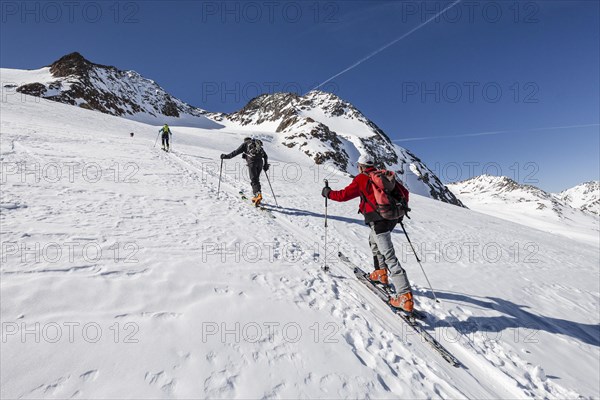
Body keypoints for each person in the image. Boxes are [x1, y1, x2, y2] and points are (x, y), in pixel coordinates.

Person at [321, 154, 414, 312]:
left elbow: (343, 196)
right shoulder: (384, 175)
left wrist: (328, 193)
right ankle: (380, 273)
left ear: (361, 166)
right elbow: (405, 192)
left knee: (389, 256)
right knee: (373, 241)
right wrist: (395, 212)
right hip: (391, 218)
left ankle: (405, 297)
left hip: (378, 221)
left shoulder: (361, 179)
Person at [221, 137, 269, 206]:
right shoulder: (256, 144)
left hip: (252, 162)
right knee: (256, 179)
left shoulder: (245, 144)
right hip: (260, 163)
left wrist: (226, 156)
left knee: (254, 179)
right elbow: (265, 156)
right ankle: (257, 195)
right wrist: (266, 164)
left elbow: (235, 152)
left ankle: (258, 194)